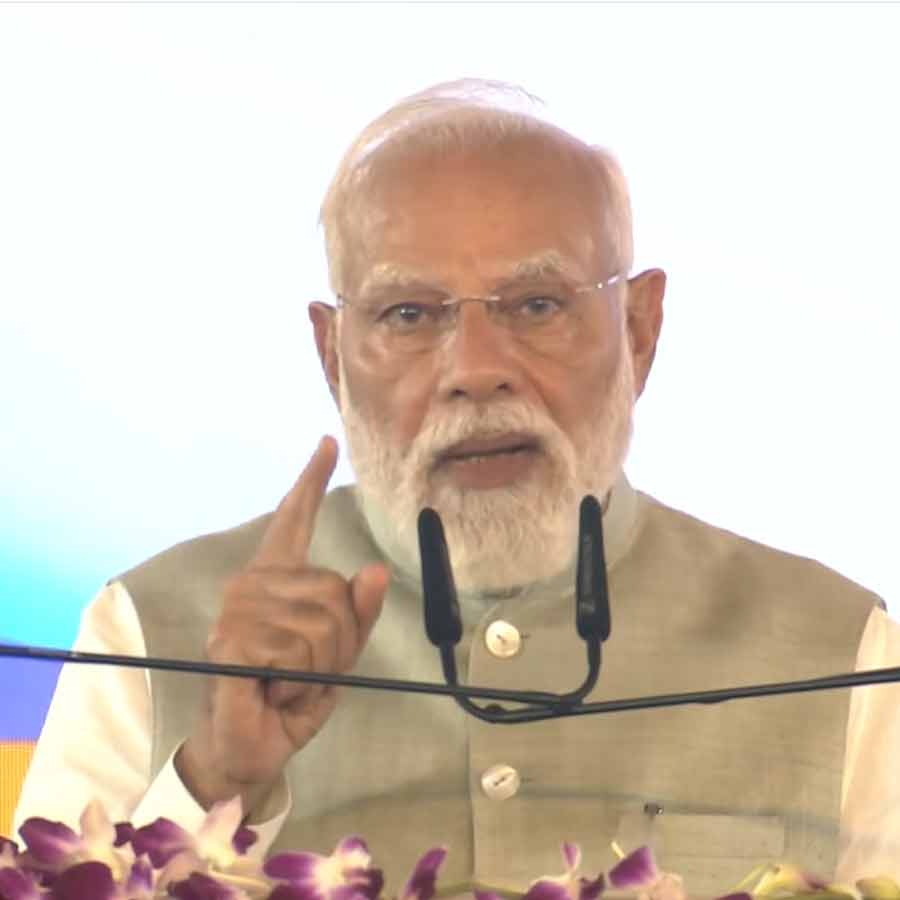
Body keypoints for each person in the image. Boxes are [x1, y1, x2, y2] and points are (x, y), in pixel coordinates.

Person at [14, 80, 900, 895]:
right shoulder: (148, 632)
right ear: (332, 354)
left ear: (640, 326)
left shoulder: (839, 652)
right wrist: (216, 779)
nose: (476, 370)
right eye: (409, 314)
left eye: (538, 305)